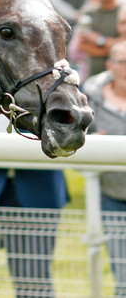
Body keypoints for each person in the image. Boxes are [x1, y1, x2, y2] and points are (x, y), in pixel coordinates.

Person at [0, 105, 68, 298]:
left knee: (36, 271)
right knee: (18, 269)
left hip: (40, 192)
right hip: (3, 191)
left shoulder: (41, 87)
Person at [84, 40, 126, 295]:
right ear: (110, 66)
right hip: (112, 193)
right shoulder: (92, 99)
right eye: (123, 62)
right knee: (122, 268)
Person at [77, 0, 122, 78]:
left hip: (119, 80)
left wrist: (98, 40)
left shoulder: (123, 12)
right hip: (93, 77)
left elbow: (124, 44)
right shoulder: (88, 12)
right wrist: (112, 49)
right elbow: (82, 45)